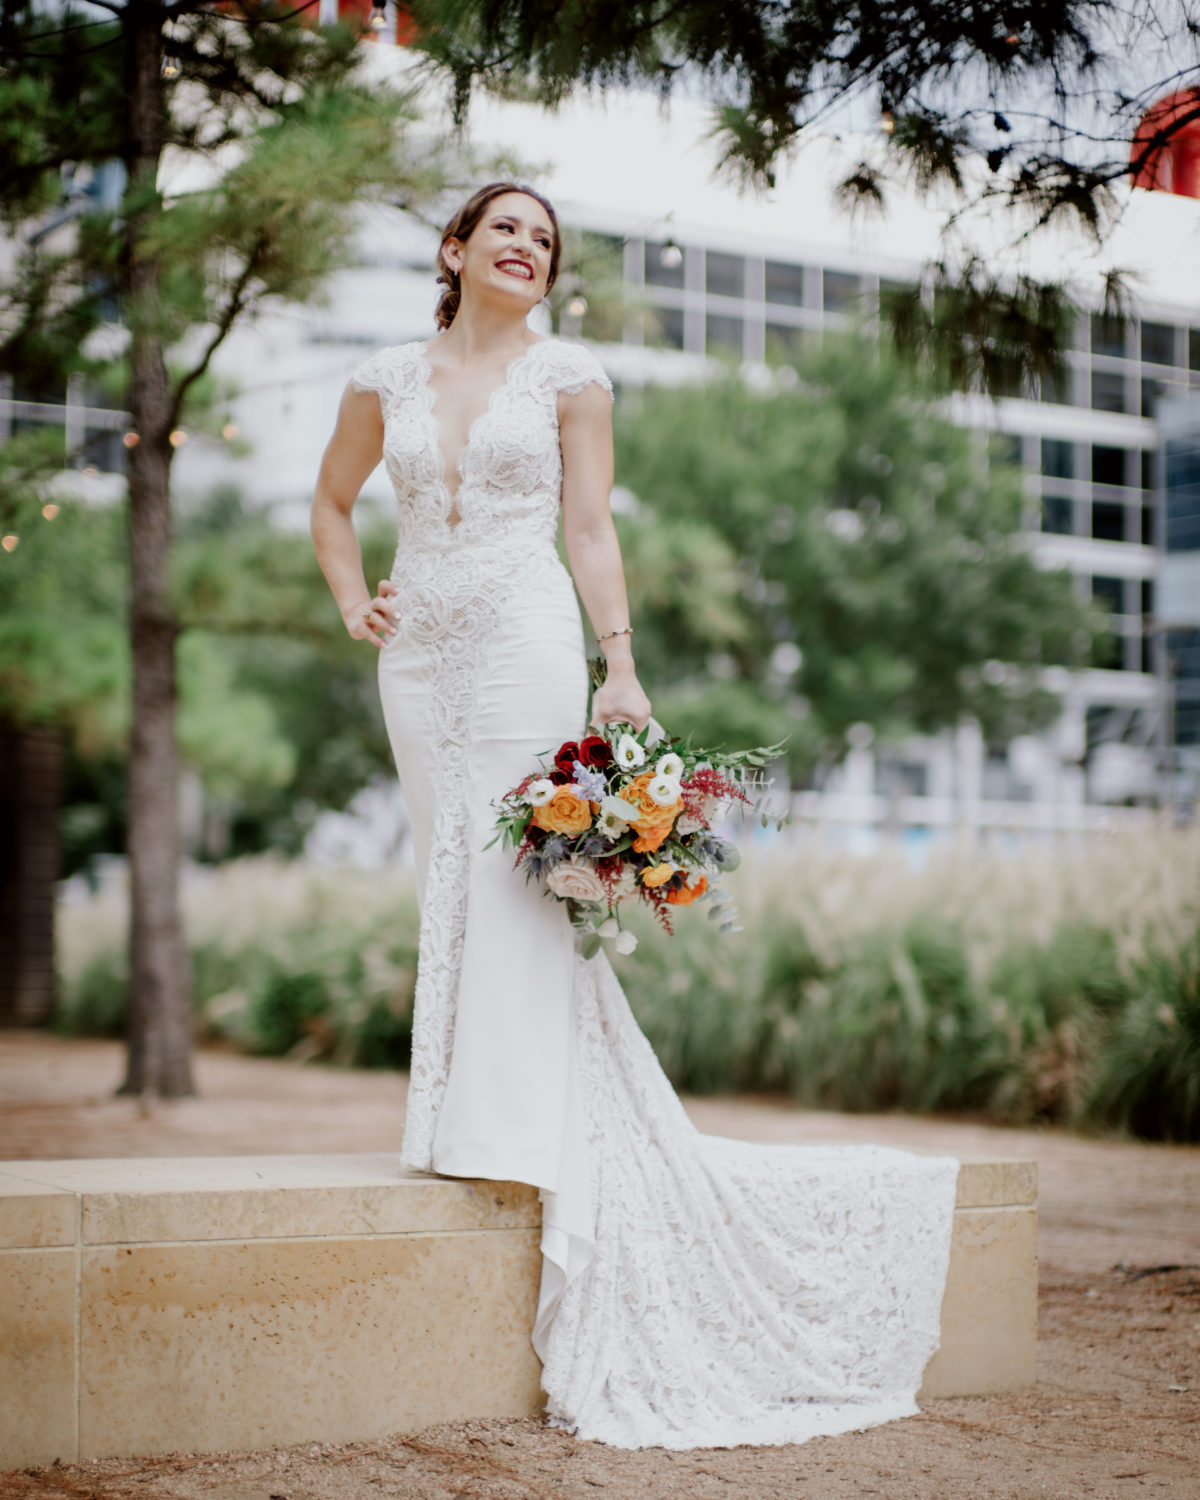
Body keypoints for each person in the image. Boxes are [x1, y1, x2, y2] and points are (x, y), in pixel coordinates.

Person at [310, 181, 960, 1450]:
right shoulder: (379, 375)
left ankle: (505, 1130)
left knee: (514, 871)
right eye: (505, 228)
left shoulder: (575, 379)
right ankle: (463, 1118)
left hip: (524, 634)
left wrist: (619, 663)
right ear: (454, 249)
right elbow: (334, 508)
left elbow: (590, 524)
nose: (526, 247)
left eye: (544, 240)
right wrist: (354, 601)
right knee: (446, 868)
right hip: (421, 653)